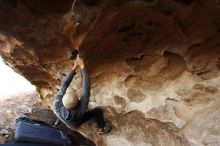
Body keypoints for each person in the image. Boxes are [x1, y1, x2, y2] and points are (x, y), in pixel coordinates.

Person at [53, 55, 111, 134]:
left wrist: (75, 67)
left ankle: (58, 121)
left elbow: (64, 85)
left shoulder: (56, 104)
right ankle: (101, 129)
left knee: (59, 113)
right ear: (77, 103)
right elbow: (86, 87)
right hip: (77, 123)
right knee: (98, 111)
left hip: (69, 122)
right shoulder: (81, 110)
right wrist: (82, 66)